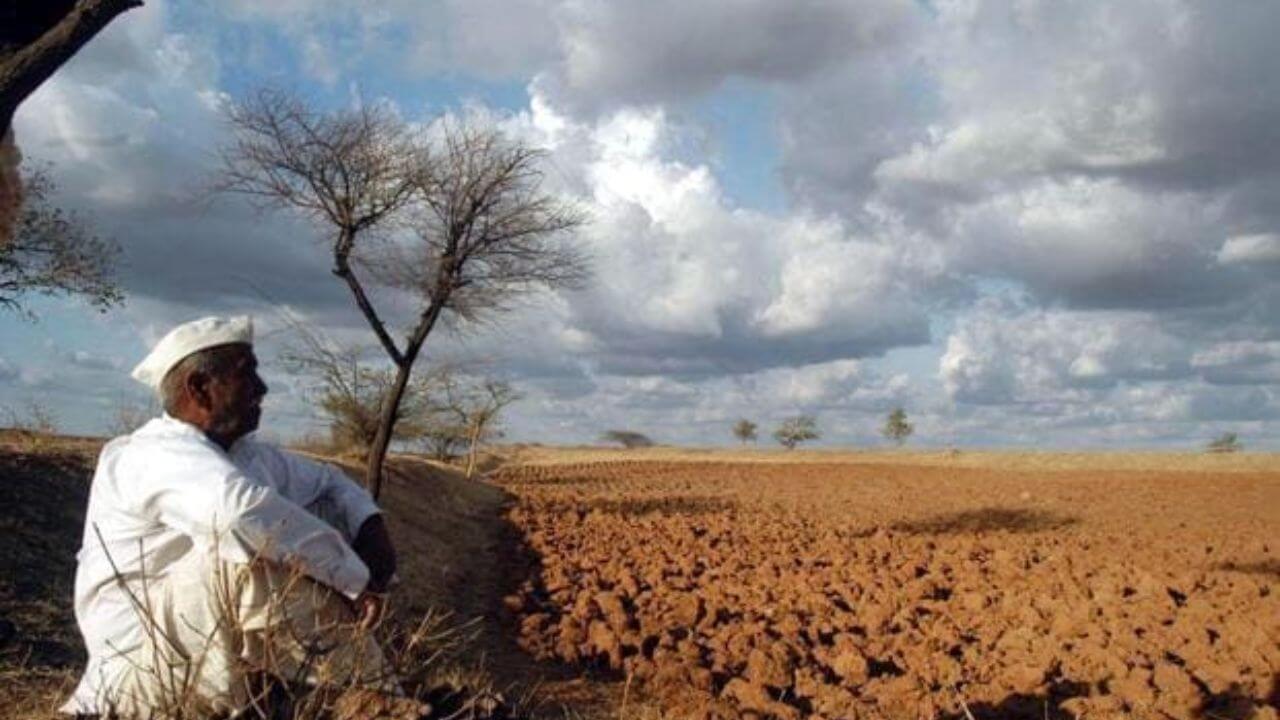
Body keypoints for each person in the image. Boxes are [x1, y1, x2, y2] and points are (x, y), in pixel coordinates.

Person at [60, 316, 399, 717]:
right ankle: (373, 694)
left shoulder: (244, 455)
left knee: (306, 523)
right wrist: (356, 579)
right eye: (246, 373)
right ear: (199, 388)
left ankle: (361, 692)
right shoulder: (148, 455)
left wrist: (370, 527)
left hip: (205, 655)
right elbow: (239, 515)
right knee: (242, 559)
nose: (262, 388)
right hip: (141, 673)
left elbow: (330, 481)